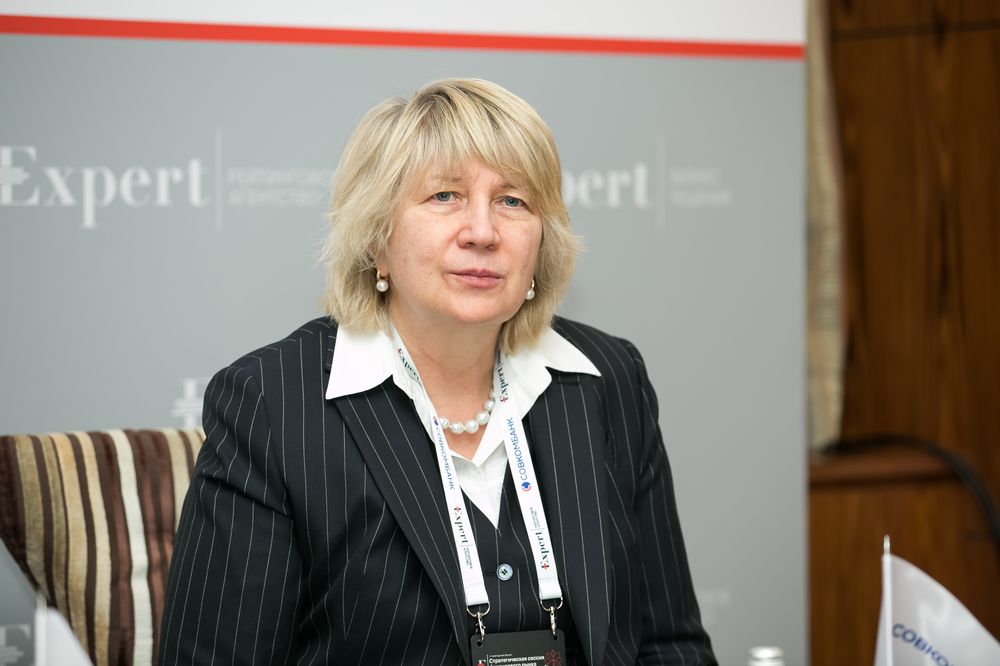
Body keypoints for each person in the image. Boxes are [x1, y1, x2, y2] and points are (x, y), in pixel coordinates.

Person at [159, 78, 716, 665]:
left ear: (541, 244)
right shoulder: (271, 404)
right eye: (445, 196)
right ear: (377, 239)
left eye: (513, 201)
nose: (483, 232)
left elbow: (669, 645)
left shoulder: (609, 379)